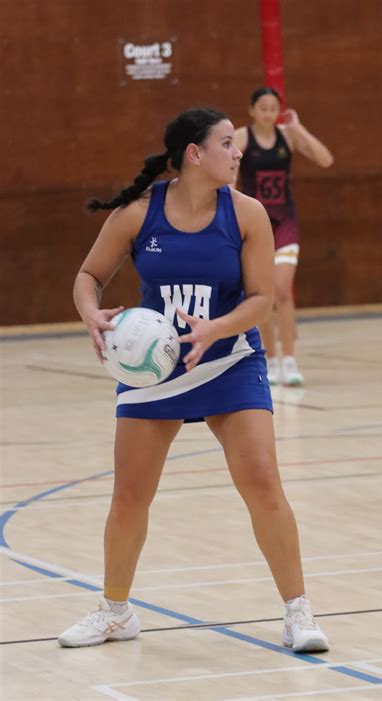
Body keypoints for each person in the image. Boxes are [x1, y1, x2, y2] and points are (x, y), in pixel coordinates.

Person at [57, 108, 330, 653]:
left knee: (263, 484)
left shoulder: (248, 213)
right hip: (155, 372)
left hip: (229, 361)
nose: (238, 153)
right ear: (194, 154)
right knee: (130, 496)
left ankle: (298, 613)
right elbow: (89, 275)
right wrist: (90, 312)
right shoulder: (139, 213)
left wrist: (217, 329)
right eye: (227, 144)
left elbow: (263, 298)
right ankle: (116, 611)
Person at [234, 87, 334, 386]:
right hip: (256, 224)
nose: (267, 113)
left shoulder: (287, 136)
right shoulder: (241, 138)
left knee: (281, 290)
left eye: (272, 107)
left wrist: (298, 129)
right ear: (252, 110)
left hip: (285, 222)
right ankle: (269, 358)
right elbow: (227, 174)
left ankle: (289, 359)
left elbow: (325, 159)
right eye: (262, 107)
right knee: (263, 294)